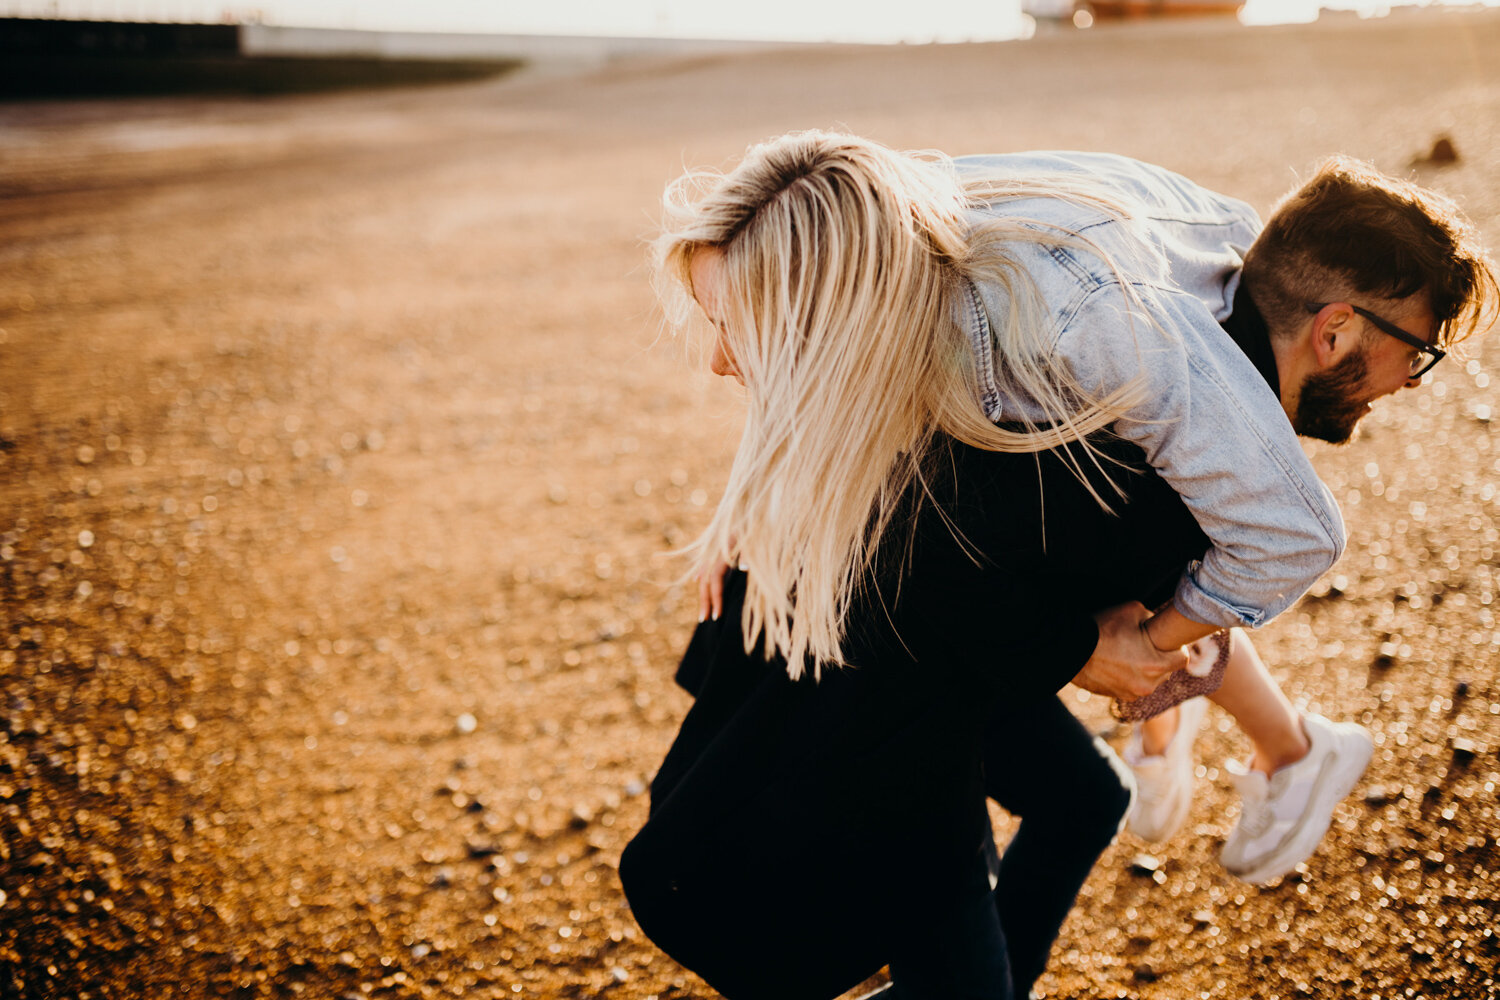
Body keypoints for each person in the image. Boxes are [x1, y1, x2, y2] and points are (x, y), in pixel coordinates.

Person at [621, 131, 1494, 1000]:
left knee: (1077, 805)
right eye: (1413, 358)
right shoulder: (959, 289)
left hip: (929, 652)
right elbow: (928, 545)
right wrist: (1122, 650)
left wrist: (1142, 646)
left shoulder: (1115, 308)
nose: (716, 356)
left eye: (733, 325)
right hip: (889, 672)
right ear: (1335, 327)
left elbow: (1271, 533)